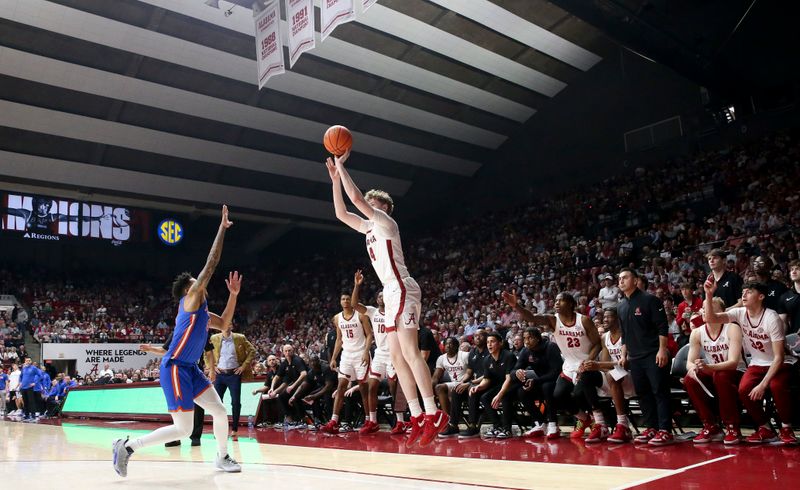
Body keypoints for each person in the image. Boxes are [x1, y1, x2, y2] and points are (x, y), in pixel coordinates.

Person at [326, 151, 448, 447]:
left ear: (384, 209)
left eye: (373, 202)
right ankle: (417, 415)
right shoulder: (367, 228)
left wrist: (342, 167)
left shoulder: (386, 224)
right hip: (391, 294)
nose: (368, 204)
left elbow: (356, 201)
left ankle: (434, 413)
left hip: (403, 287)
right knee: (395, 357)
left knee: (409, 352)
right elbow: (342, 214)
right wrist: (334, 181)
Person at [112, 205, 241, 477]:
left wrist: (233, 295)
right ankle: (127, 446)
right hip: (174, 368)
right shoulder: (190, 300)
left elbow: (226, 324)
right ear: (188, 289)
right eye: (196, 283)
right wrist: (222, 228)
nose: (201, 285)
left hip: (191, 369)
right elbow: (211, 265)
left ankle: (222, 456)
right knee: (183, 429)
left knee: (219, 411)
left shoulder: (204, 313)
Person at [702, 278, 797, 444]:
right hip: (757, 362)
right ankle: (765, 428)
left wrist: (763, 384)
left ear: (761, 297)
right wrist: (709, 295)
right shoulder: (739, 313)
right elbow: (711, 319)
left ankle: (787, 427)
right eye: (743, 292)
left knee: (776, 386)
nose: (744, 294)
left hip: (779, 363)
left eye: (749, 292)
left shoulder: (771, 318)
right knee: (744, 390)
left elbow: (779, 357)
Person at [503, 290, 602, 440]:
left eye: (560, 300)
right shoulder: (553, 320)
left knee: (579, 393)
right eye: (555, 300)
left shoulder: (584, 320)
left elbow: (597, 344)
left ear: (570, 304)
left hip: (587, 364)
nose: (556, 303)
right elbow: (533, 318)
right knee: (558, 396)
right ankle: (584, 418)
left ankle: (599, 424)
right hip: (569, 366)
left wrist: (589, 360)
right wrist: (516, 306)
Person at [617, 268, 673, 445]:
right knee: (643, 393)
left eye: (625, 277)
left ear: (635, 280)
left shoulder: (650, 300)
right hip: (635, 357)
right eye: (619, 278)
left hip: (653, 354)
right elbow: (624, 334)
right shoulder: (620, 306)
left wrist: (662, 350)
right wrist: (623, 354)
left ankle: (665, 430)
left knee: (660, 391)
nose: (621, 281)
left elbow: (662, 327)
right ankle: (651, 428)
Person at [685, 297, 745, 445]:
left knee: (721, 375)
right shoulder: (697, 332)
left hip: (736, 373)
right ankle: (711, 426)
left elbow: (732, 363)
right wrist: (692, 368)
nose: (706, 311)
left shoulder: (732, 328)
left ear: (722, 313)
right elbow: (689, 362)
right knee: (690, 378)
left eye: (711, 308)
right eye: (704, 308)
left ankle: (732, 427)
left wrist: (708, 367)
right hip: (715, 373)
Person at [140, 329, 216, 447]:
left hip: (194, 370)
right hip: (176, 371)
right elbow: (164, 350)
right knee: (178, 407)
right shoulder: (177, 331)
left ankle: (195, 436)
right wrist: (150, 349)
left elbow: (209, 351)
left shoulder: (202, 329)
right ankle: (175, 436)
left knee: (201, 406)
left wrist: (212, 369)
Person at [351, 270, 400, 433]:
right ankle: (372, 421)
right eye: (379, 296)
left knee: (395, 388)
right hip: (379, 354)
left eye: (383, 296)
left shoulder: (395, 312)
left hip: (394, 353)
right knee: (371, 386)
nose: (381, 298)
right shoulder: (372, 311)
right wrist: (357, 286)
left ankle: (401, 421)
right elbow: (354, 305)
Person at [320, 293, 374, 434]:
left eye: (348, 299)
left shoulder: (361, 315)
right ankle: (334, 421)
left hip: (361, 353)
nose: (345, 301)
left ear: (352, 301)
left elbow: (369, 335)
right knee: (341, 386)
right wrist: (333, 358)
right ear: (340, 301)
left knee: (363, 388)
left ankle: (369, 420)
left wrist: (366, 352)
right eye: (343, 299)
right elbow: (339, 339)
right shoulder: (338, 318)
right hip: (346, 355)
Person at [579, 308, 636, 443]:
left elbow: (627, 364)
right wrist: (590, 366)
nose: (605, 319)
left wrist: (598, 365)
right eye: (604, 317)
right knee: (587, 375)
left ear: (618, 319)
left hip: (631, 377)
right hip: (613, 378)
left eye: (609, 317)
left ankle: (623, 425)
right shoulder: (604, 337)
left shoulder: (628, 335)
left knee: (612, 375)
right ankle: (600, 424)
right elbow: (605, 365)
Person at [512, 327, 562, 439]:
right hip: (540, 381)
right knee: (521, 391)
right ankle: (541, 423)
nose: (526, 341)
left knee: (547, 387)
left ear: (538, 339)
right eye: (524, 338)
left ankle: (553, 424)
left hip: (558, 382)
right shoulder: (525, 351)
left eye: (529, 338)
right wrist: (517, 372)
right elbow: (513, 370)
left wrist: (535, 381)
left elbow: (556, 372)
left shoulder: (550, 347)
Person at [211, 323, 256, 438]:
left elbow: (252, 351)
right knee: (217, 403)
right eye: (223, 324)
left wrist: (243, 366)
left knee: (235, 402)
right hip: (220, 375)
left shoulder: (240, 337)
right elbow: (207, 354)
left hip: (234, 374)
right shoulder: (214, 338)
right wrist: (212, 367)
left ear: (232, 326)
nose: (226, 326)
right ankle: (219, 429)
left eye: (228, 324)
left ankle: (235, 429)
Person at [432, 337, 469, 437]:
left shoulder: (464, 355)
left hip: (466, 384)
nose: (448, 346)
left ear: (457, 346)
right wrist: (431, 387)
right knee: (438, 387)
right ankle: (448, 421)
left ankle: (450, 422)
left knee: (441, 387)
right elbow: (436, 376)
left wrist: (469, 382)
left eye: (451, 344)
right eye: (446, 344)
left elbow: (472, 370)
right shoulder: (441, 358)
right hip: (453, 385)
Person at [268, 344, 308, 426]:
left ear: (293, 351)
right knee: (281, 397)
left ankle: (303, 420)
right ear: (283, 352)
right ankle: (290, 419)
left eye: (289, 350)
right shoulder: (284, 363)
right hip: (294, 386)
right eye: (285, 351)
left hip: (305, 384)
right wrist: (272, 389)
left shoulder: (297, 360)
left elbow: (304, 374)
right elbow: (276, 377)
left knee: (295, 397)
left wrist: (293, 386)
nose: (287, 352)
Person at [779, 260, 800, 333]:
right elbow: (783, 323)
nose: (793, 272)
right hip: (796, 340)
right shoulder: (784, 297)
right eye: (791, 269)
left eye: (797, 269)